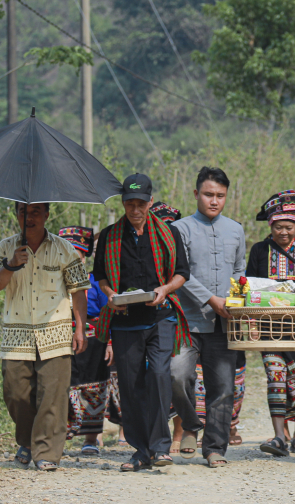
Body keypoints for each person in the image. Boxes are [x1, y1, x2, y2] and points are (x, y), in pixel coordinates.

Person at [94, 174, 191, 472]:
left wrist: (164, 290)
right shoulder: (110, 235)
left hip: (160, 317)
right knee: (130, 384)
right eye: (129, 204)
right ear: (123, 203)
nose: (135, 210)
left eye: (140, 204)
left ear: (150, 202)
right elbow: (101, 277)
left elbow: (182, 273)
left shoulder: (167, 233)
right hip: (124, 321)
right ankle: (140, 450)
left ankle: (161, 447)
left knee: (161, 375)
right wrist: (111, 295)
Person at [0, 202, 90, 471]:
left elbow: (78, 290)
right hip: (16, 332)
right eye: (23, 212)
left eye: (35, 212)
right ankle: (28, 441)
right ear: (16, 214)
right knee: (15, 392)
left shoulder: (64, 249)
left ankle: (47, 452)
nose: (29, 218)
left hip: (54, 329)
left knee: (52, 394)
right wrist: (10, 266)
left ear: (46, 214)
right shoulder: (5, 248)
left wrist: (80, 328)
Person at [170, 167, 246, 468]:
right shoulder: (180, 229)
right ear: (196, 194)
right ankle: (190, 425)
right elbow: (181, 273)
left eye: (220, 196)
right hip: (187, 321)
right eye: (208, 194)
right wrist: (211, 299)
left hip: (223, 322)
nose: (214, 201)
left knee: (224, 388)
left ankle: (215, 449)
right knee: (176, 374)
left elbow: (239, 270)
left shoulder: (235, 229)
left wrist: (236, 299)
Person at [247, 190, 295, 457]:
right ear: (270, 226)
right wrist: (252, 322)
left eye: (289, 227)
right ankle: (279, 435)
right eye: (278, 227)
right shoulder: (259, 250)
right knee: (276, 377)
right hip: (269, 328)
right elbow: (250, 287)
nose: (284, 232)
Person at [59, 226, 112, 455]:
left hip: (94, 342)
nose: (72, 260)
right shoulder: (54, 282)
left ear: (84, 257)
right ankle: (57, 438)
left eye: (77, 256)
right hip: (62, 341)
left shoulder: (95, 282)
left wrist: (110, 342)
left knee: (95, 389)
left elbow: (108, 312)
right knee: (59, 388)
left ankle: (90, 439)